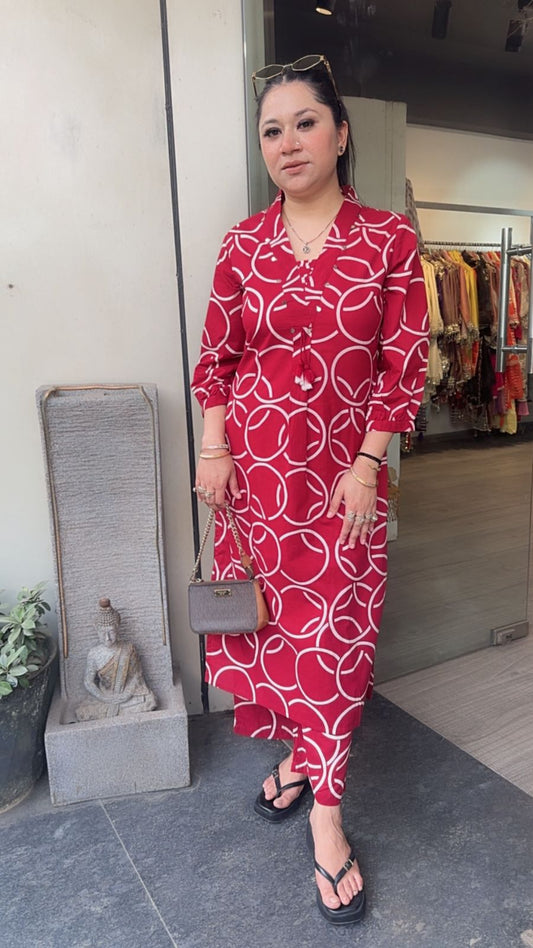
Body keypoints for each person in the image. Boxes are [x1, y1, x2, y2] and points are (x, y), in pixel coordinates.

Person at [191, 54, 428, 925]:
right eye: (271, 130)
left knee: (334, 644)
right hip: (253, 481)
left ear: (339, 133)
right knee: (274, 632)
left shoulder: (387, 240)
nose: (287, 142)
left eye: (304, 123)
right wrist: (213, 447)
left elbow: (404, 364)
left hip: (340, 485)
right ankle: (299, 758)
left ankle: (326, 814)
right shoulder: (241, 244)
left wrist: (368, 464)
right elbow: (217, 358)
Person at [76, 597, 157, 721]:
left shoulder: (128, 649)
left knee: (149, 700)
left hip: (127, 695)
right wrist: (104, 697)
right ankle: (113, 707)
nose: (107, 638)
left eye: (111, 632)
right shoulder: (94, 654)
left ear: (118, 628)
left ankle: (119, 707)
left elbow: (137, 676)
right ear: (96, 630)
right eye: (103, 633)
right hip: (104, 695)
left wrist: (126, 694)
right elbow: (88, 682)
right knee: (84, 711)